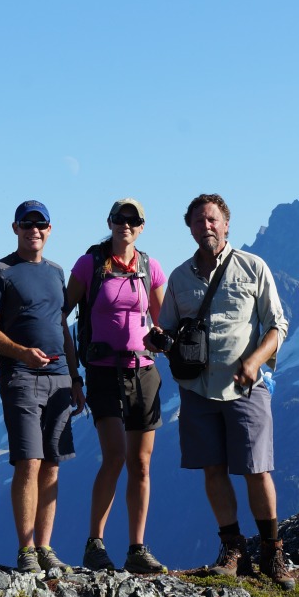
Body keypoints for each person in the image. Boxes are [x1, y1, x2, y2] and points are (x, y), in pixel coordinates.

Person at [146, 193, 295, 589]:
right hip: (197, 390)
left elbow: (277, 326)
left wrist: (254, 362)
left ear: (226, 225)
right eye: (198, 221)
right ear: (190, 229)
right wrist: (160, 340)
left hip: (247, 388)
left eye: (212, 220)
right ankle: (233, 551)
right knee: (213, 469)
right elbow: (170, 330)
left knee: (256, 470)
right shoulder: (178, 278)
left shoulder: (253, 267)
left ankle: (272, 552)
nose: (205, 226)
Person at [0, 200, 85, 573]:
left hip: (58, 381)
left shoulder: (57, 273)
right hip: (20, 377)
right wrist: (22, 353)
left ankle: (45, 547)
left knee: (52, 465)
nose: (34, 231)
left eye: (40, 225)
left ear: (49, 230)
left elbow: (62, 330)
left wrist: (74, 377)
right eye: (27, 224)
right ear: (15, 228)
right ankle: (26, 550)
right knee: (29, 461)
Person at [64, 198, 168, 574]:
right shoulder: (90, 263)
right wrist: (74, 373)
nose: (125, 224)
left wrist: (162, 337)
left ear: (142, 226)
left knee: (141, 463)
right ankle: (95, 543)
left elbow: (162, 321)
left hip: (143, 370)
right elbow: (61, 315)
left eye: (133, 220)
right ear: (109, 222)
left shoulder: (149, 267)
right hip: (103, 369)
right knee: (114, 455)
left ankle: (137, 548)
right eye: (119, 218)